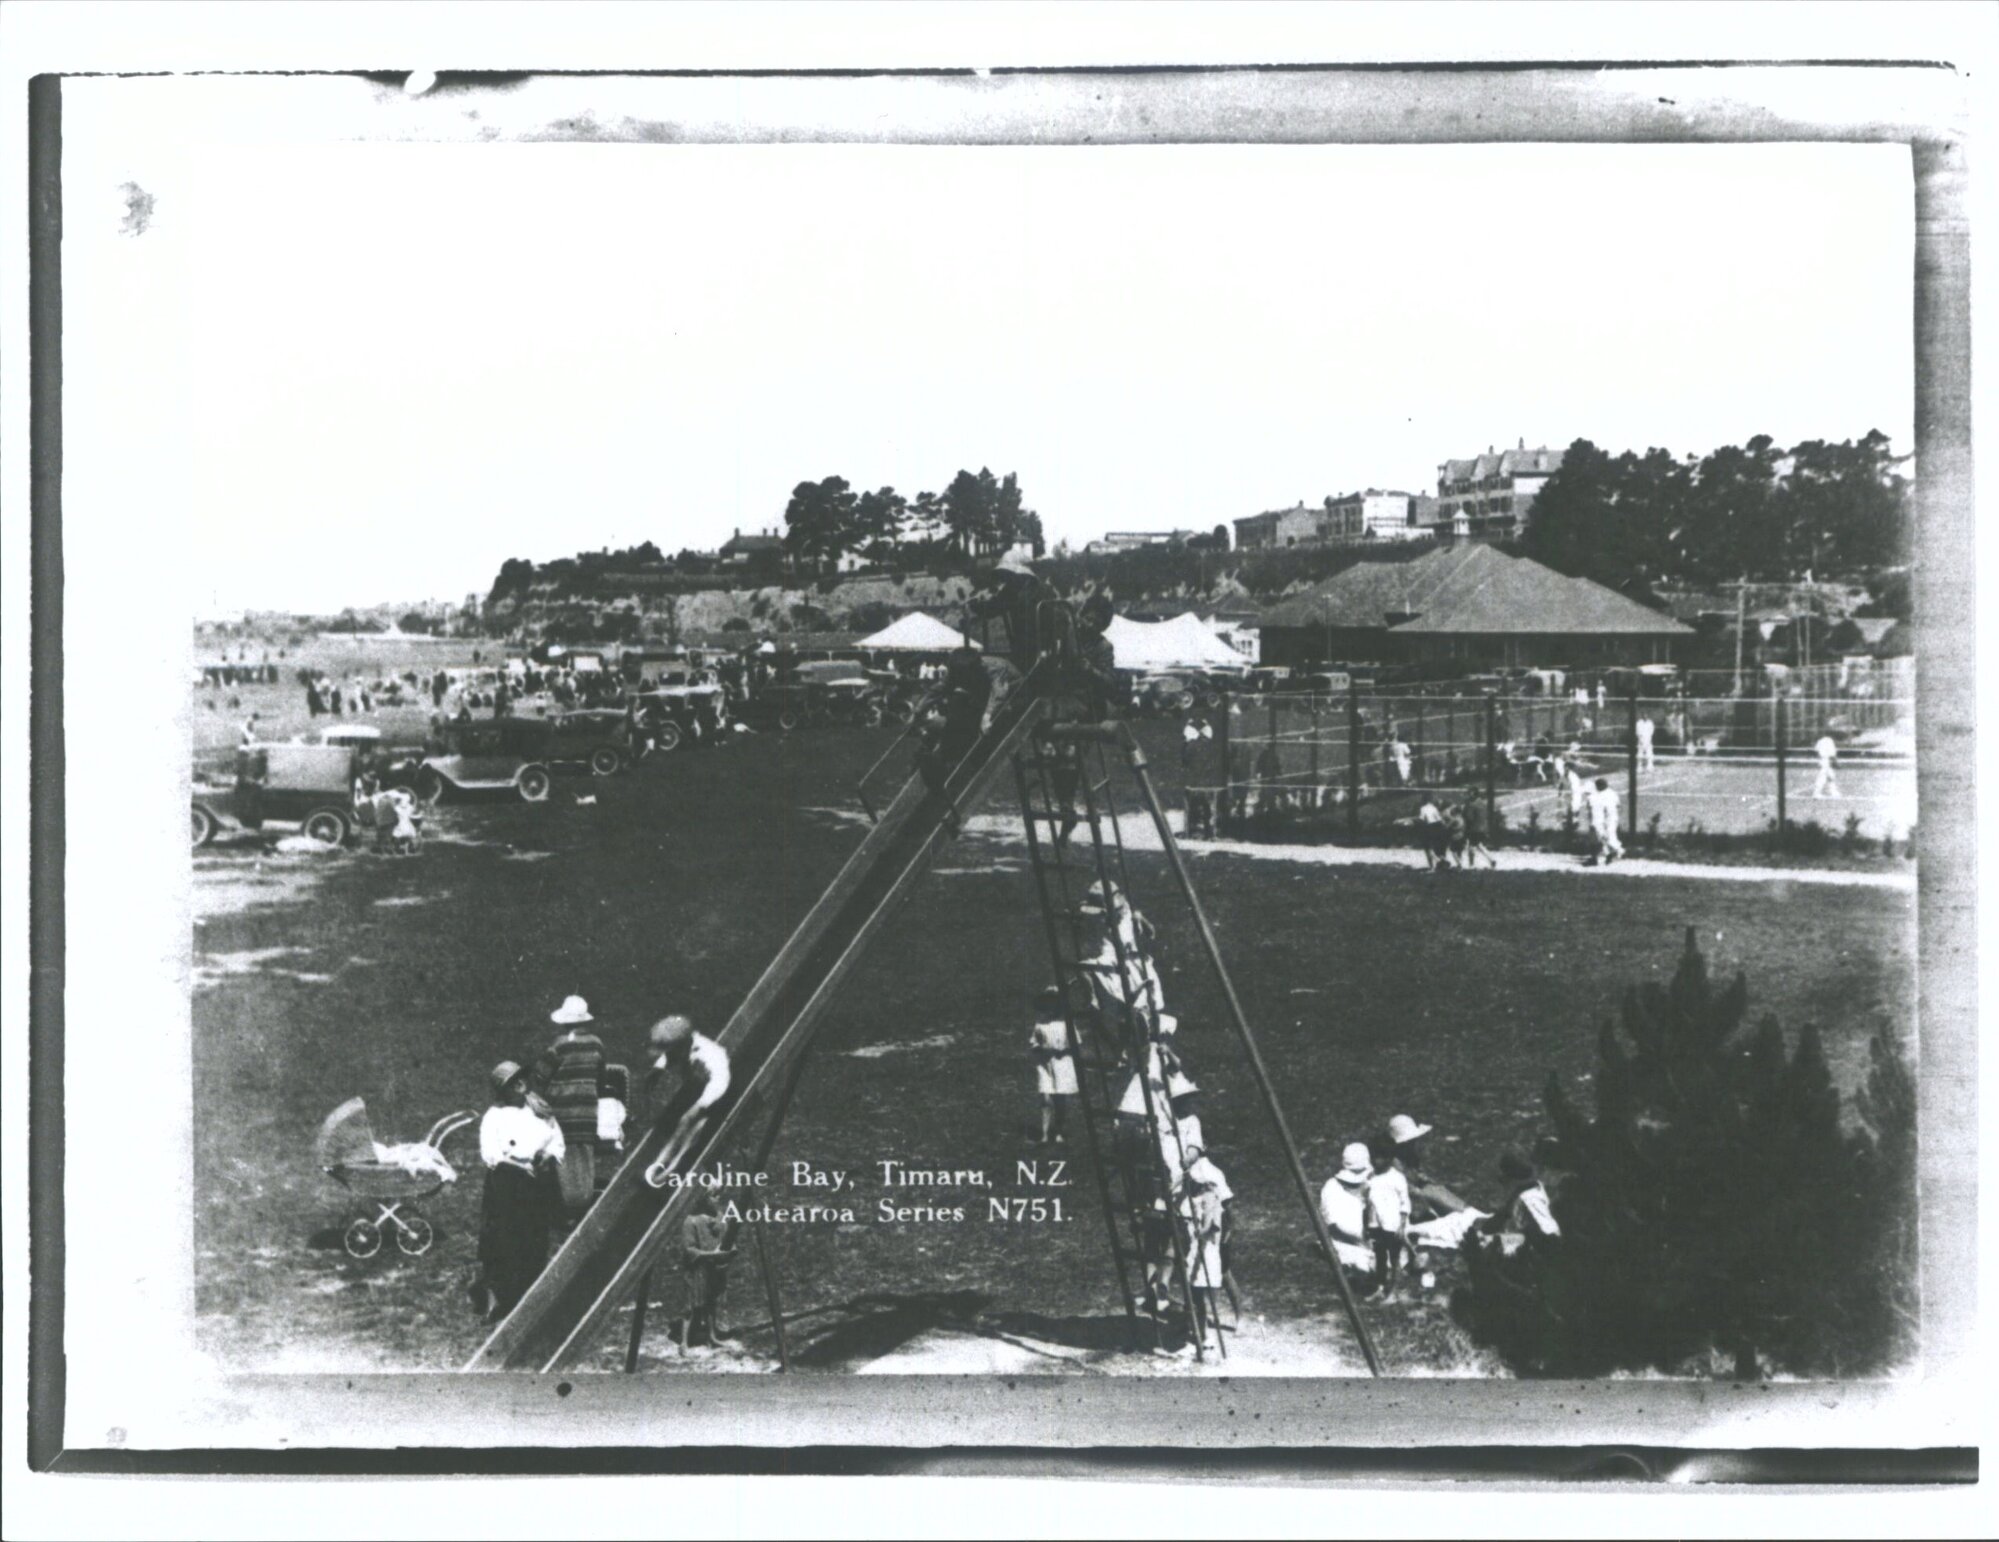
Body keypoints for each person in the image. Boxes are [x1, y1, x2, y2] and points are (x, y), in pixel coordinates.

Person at [474, 1060, 564, 1320]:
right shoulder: (495, 1116)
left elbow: (557, 1141)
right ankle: (497, 1300)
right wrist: (518, 1165)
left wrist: (548, 1155)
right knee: (501, 1242)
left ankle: (531, 1299)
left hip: (536, 1185)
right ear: (503, 1090)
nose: (520, 1084)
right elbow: (491, 1155)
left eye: (521, 1078)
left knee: (534, 1240)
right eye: (512, 1082)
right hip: (506, 1185)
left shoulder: (540, 1110)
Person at [531, 996, 609, 1221]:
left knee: (560, 1159)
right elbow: (601, 1077)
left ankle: (563, 1209)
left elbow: (540, 1075)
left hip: (561, 1114)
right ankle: (581, 1205)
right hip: (586, 1114)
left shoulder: (559, 1045)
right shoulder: (597, 1043)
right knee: (583, 1160)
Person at [643, 1016, 733, 1186]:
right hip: (697, 1088)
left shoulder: (710, 1055)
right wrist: (657, 1069)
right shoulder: (682, 1047)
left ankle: (674, 1169)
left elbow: (719, 1082)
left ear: (683, 1045)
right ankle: (660, 1163)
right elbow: (668, 1056)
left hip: (719, 1096)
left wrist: (699, 1107)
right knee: (676, 1123)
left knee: (693, 1129)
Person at [1179, 1155, 1232, 1354]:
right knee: (1194, 1294)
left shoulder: (1211, 1199)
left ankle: (1205, 1334)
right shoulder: (1193, 1198)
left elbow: (1211, 1227)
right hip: (1193, 1249)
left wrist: (1198, 1231)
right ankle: (1196, 1330)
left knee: (1202, 1295)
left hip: (1205, 1251)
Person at [678, 1191, 736, 1349]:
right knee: (690, 1304)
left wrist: (729, 1250)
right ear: (703, 1198)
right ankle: (684, 1341)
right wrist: (712, 1254)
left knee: (711, 1301)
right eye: (714, 1195)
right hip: (696, 1268)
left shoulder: (720, 1217)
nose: (718, 1198)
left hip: (714, 1268)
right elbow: (689, 1250)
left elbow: (727, 1238)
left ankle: (711, 1336)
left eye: (719, 1194)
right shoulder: (691, 1221)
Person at [1318, 1143, 1378, 1284]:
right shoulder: (1331, 1187)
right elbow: (1334, 1226)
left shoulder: (1371, 1184)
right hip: (1343, 1241)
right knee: (1363, 1262)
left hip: (1368, 1240)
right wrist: (1363, 1242)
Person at [1028, 985, 1078, 1146]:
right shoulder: (1040, 1025)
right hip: (1045, 1065)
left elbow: (1076, 1044)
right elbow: (1033, 1044)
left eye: (1055, 1002)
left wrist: (1064, 1050)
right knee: (1045, 1098)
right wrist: (1042, 1049)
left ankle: (1058, 1132)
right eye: (1048, 1002)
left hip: (1063, 1064)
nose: (1051, 1006)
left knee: (1060, 1100)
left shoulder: (1067, 1024)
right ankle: (1043, 1134)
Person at [1364, 1136, 1412, 1298]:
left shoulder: (1397, 1178)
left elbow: (1405, 1203)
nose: (1375, 1160)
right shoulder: (1370, 1177)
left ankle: (1394, 1290)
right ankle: (1380, 1287)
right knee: (1380, 1256)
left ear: (1390, 1158)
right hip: (1375, 1224)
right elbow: (1368, 1202)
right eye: (1373, 1156)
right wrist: (1367, 1225)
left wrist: (1402, 1225)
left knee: (1395, 1258)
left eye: (1379, 1157)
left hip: (1392, 1225)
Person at [1589, 777, 1623, 864]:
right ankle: (1608, 855)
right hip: (1603, 819)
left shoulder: (1610, 794)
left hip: (1610, 818)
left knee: (1610, 838)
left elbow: (1618, 805)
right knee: (1602, 837)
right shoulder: (1598, 795)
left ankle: (1618, 851)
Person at [1813, 733, 1840, 799]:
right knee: (1823, 777)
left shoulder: (1820, 740)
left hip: (1822, 760)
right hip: (1826, 760)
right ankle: (1816, 793)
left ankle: (1833, 792)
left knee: (1831, 776)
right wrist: (1835, 762)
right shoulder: (1830, 741)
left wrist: (1820, 761)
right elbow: (1832, 754)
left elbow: (1816, 751)